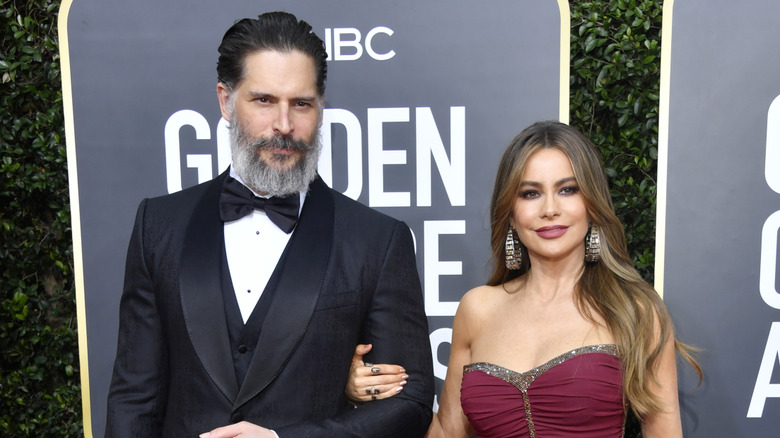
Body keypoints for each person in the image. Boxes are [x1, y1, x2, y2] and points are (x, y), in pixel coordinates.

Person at [106, 11, 434, 438]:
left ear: (320, 106)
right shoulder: (158, 225)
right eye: (264, 100)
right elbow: (134, 399)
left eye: (301, 103)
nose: (284, 126)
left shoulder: (377, 240)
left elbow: (410, 403)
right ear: (225, 100)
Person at [346, 121, 701, 437]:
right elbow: (447, 432)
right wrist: (370, 395)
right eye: (530, 193)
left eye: (568, 189)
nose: (550, 209)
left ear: (592, 205)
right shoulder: (478, 308)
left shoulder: (635, 310)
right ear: (512, 214)